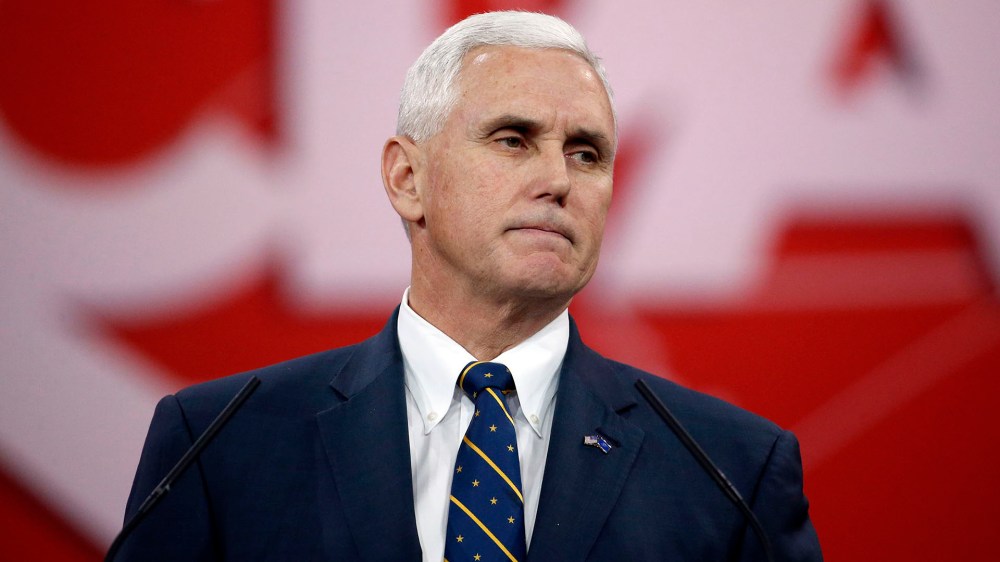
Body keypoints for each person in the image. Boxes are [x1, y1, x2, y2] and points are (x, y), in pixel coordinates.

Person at [118, 11, 822, 561]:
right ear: (407, 178)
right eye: (513, 139)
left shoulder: (729, 470)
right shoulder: (220, 445)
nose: (558, 181)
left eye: (587, 153)